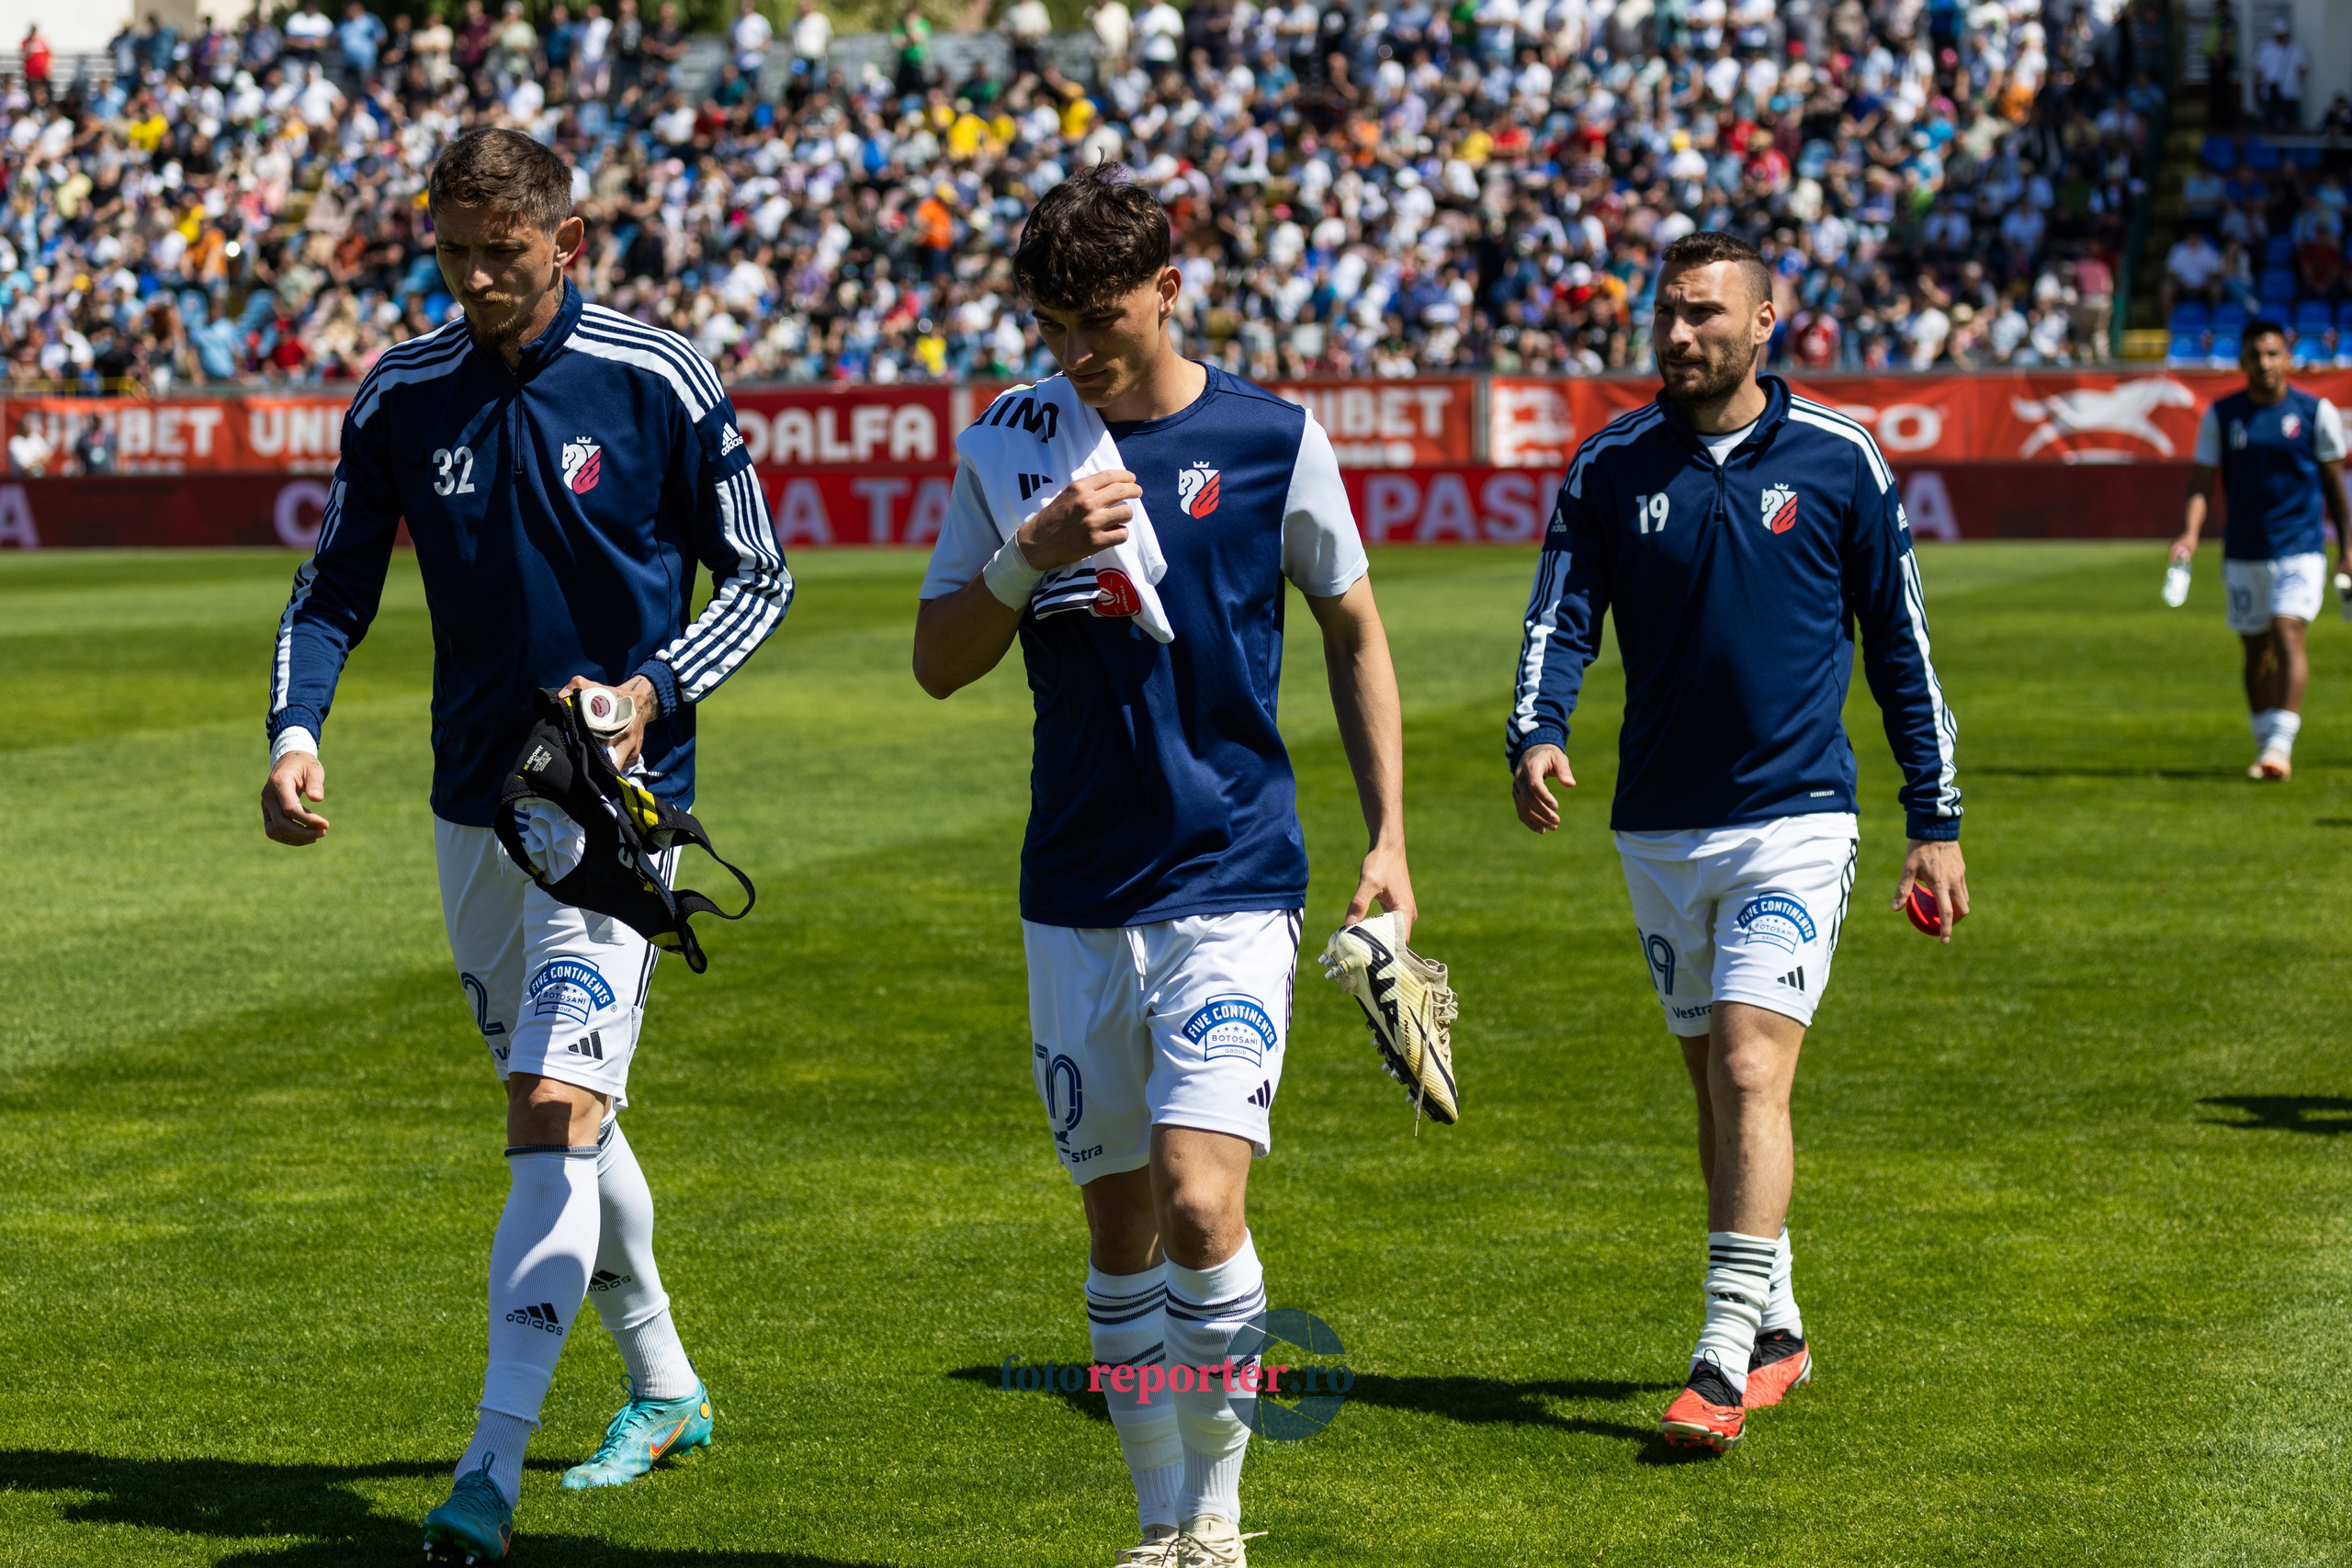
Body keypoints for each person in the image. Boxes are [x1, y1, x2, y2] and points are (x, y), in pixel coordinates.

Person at [259, 128, 793, 1563]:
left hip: (614, 821)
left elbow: (761, 575)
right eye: (456, 251)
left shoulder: (657, 376)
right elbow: (332, 587)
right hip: (467, 808)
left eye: (507, 251)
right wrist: (294, 731)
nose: (481, 277)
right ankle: (668, 1382)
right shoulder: (402, 391)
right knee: (565, 1101)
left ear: (568, 241)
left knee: (550, 1111)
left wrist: (645, 693)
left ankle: (484, 1471)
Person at [911, 164, 1413, 1568]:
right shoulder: (1009, 446)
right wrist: (1028, 556)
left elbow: (1355, 630)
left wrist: (1389, 837)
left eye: (1107, 316)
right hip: (1074, 885)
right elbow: (938, 661)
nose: (1080, 348)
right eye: (1055, 320)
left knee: (1202, 1200)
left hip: (1231, 872)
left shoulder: (1269, 437)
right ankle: (1152, 1521)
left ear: (1170, 290)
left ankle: (1220, 1517)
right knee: (1121, 1228)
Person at [1508, 230, 1968, 1454]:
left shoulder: (1838, 457)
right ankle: (1777, 1321)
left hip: (1796, 818)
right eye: (1667, 312)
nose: (1678, 334)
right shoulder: (1610, 463)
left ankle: (1718, 1358)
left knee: (1756, 1068)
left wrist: (1936, 820)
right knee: (1714, 1078)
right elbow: (1561, 613)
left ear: (1768, 321)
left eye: (1707, 314)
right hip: (1658, 825)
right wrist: (1536, 729)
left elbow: (1901, 646)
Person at [2169, 321, 2350, 780]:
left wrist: (2348, 550)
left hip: (2301, 549)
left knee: (2288, 633)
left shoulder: (2316, 413)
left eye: (2273, 354)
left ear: (2287, 358)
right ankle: (2266, 738)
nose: (2265, 364)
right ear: (2242, 361)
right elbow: (2201, 483)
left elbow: (2335, 488)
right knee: (2256, 653)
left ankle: (2278, 747)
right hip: (2244, 552)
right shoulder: (2222, 415)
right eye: (2256, 355)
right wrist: (2189, 535)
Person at [2255, 17, 2307, 132]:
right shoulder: (2265, 49)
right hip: (2271, 92)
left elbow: (2303, 69)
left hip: (2291, 92)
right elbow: (2258, 71)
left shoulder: (2295, 49)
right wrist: (2258, 90)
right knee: (2269, 123)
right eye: (2278, 35)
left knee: (2292, 122)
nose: (2281, 38)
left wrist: (2295, 79)